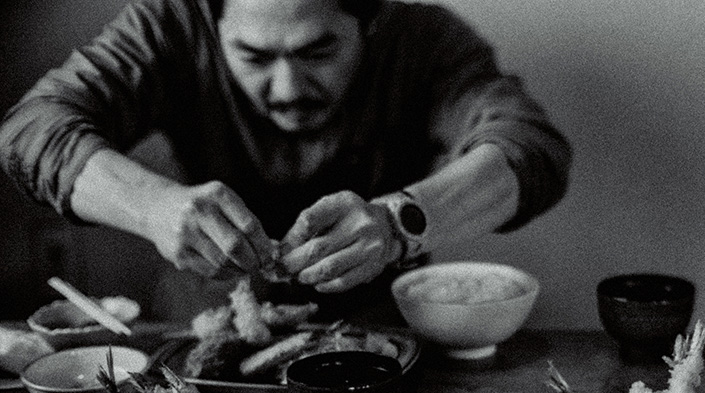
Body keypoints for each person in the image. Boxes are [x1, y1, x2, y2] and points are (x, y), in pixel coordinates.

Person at [0, 0, 571, 322]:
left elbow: (531, 146)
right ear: (211, 20)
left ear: (370, 24)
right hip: (200, 330)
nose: (287, 87)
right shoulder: (168, 26)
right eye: (252, 56)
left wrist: (400, 223)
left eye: (318, 52)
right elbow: (30, 129)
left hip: (386, 337)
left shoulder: (424, 39)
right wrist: (152, 206)